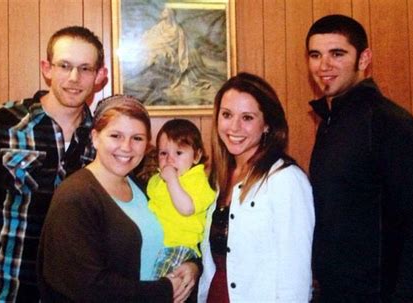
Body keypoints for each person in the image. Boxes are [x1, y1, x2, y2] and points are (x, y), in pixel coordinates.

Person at [0, 26, 108, 302]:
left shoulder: (105, 139)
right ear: (47, 68)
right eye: (65, 66)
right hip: (0, 292)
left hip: (71, 295)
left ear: (99, 76)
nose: (74, 78)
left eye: (85, 68)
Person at [306, 14, 413, 302]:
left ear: (364, 59)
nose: (324, 65)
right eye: (316, 55)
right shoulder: (329, 122)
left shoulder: (389, 122)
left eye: (337, 54)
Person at [37, 96, 199, 302]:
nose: (126, 147)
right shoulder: (76, 197)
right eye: (116, 136)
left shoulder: (146, 187)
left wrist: (193, 266)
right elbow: (87, 286)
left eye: (137, 138)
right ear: (95, 137)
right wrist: (164, 290)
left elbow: (183, 231)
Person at [198, 72, 315, 302]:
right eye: (227, 115)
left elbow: (296, 275)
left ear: (267, 125)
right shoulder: (219, 178)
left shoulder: (285, 180)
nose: (234, 127)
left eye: (248, 118)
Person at [147, 119, 216, 279]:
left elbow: (186, 209)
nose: (170, 160)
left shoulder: (197, 180)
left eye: (179, 153)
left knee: (162, 289)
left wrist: (172, 180)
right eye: (163, 153)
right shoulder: (156, 180)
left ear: (196, 156)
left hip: (180, 247)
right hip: (156, 247)